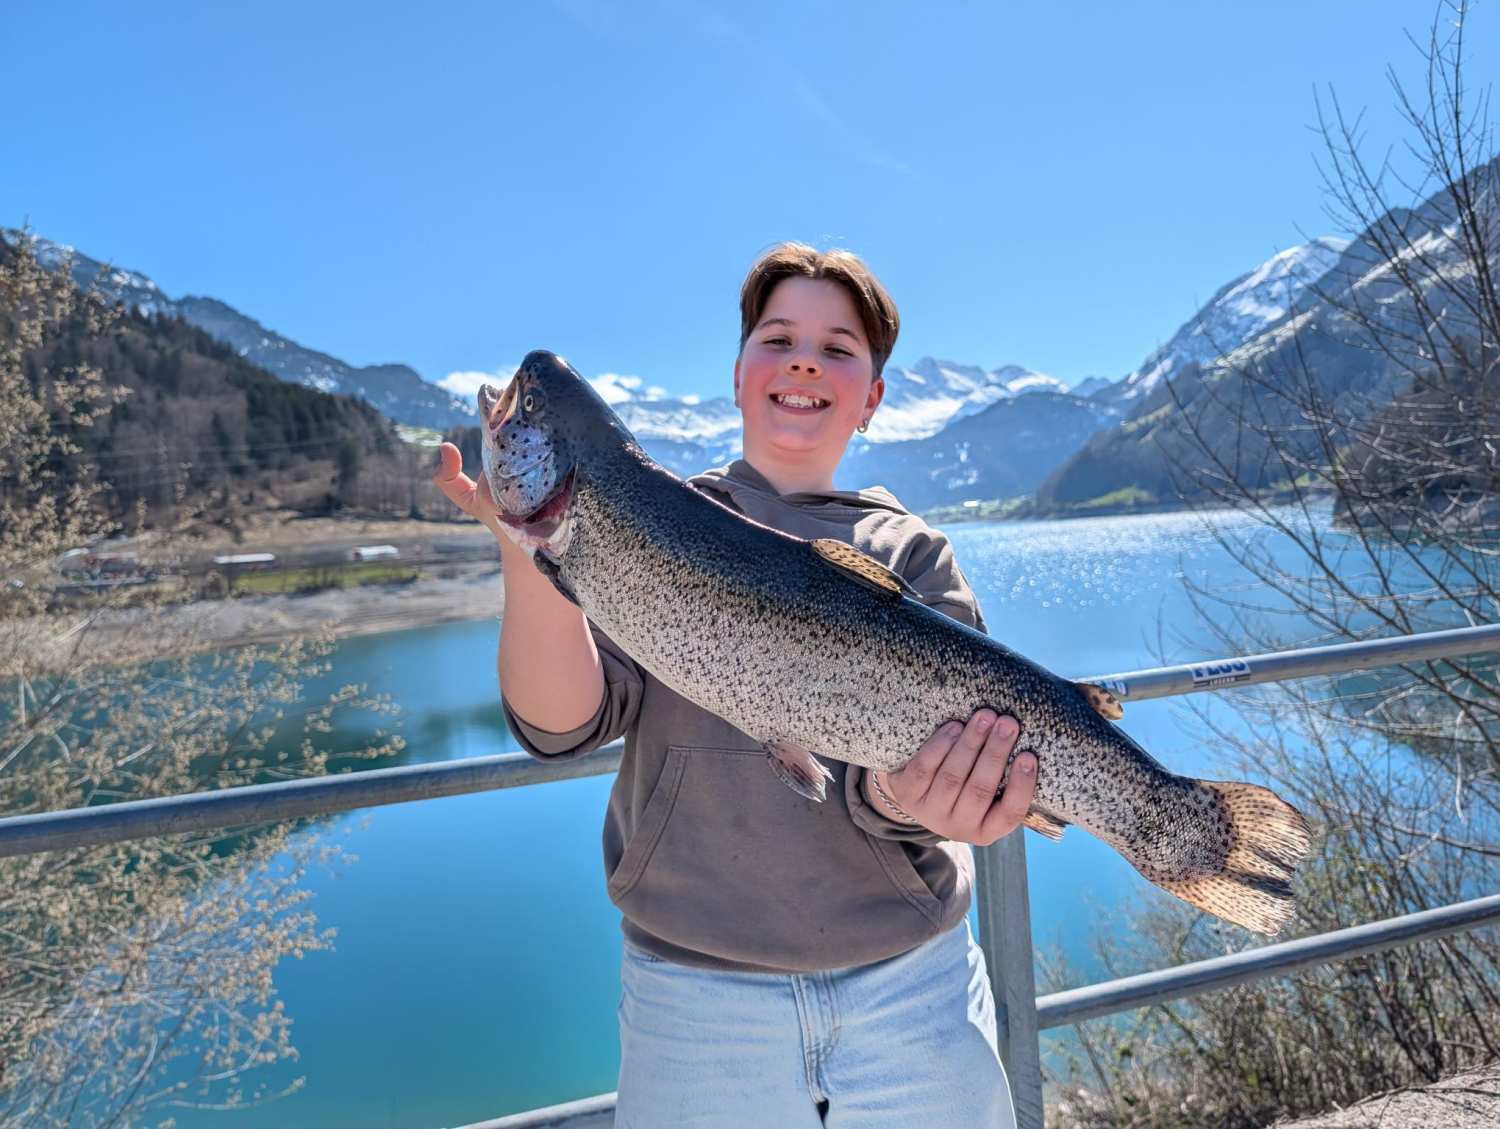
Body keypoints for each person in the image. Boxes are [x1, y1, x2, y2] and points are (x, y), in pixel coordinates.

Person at [432, 243, 1037, 1128]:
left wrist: (931, 795)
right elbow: (561, 723)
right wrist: (525, 553)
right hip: (693, 1003)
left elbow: (906, 793)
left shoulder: (912, 555)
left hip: (912, 987)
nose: (804, 359)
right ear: (741, 372)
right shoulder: (656, 523)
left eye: (839, 348)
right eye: (779, 336)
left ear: (872, 398)